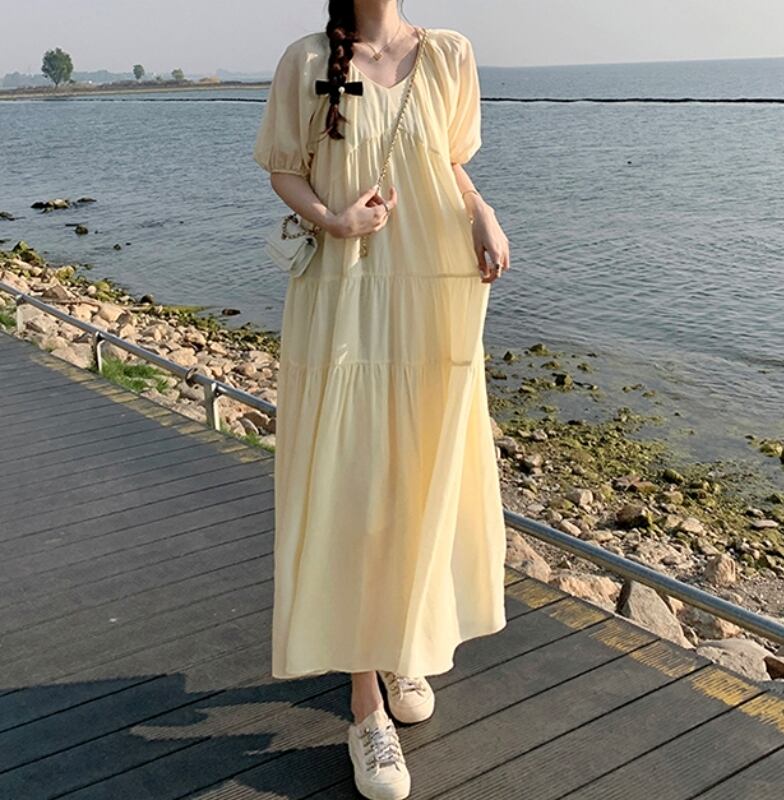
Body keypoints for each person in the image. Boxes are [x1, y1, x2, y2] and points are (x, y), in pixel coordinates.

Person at [252, 2, 511, 798]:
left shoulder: (451, 55)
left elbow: (446, 164)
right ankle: (365, 706)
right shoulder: (308, 60)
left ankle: (401, 644)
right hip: (345, 298)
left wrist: (482, 212)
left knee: (414, 480)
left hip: (431, 292)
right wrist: (334, 220)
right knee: (355, 487)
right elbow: (284, 170)